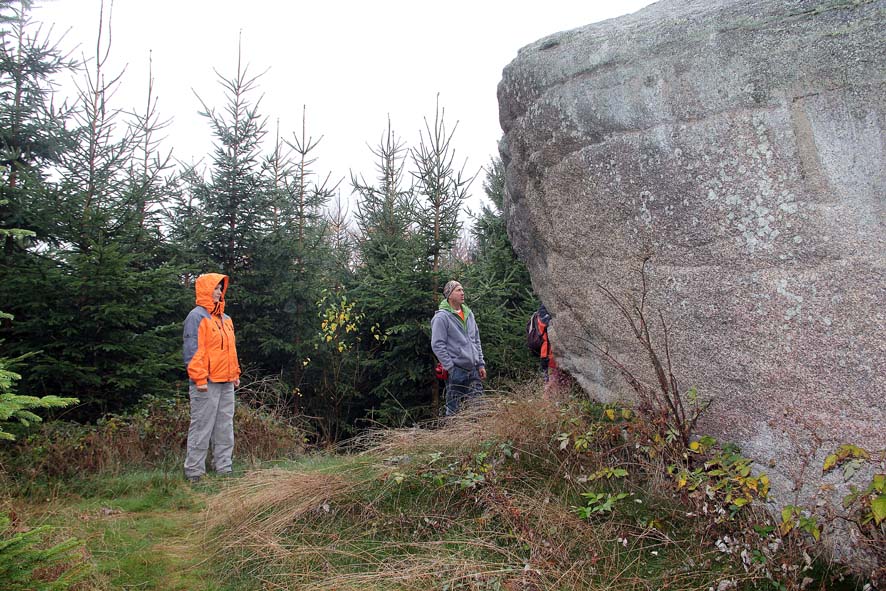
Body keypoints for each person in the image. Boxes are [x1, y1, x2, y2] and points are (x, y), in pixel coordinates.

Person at [182, 273, 241, 483]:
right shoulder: (196, 316)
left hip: (226, 382)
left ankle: (224, 468)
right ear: (205, 290)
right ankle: (194, 472)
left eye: (220, 288)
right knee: (201, 426)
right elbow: (193, 351)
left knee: (225, 427)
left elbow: (230, 350)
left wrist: (235, 374)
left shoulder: (226, 319)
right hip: (205, 384)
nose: (218, 292)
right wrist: (199, 379)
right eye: (214, 288)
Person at [431, 280, 487, 415]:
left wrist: (480, 364)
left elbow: (476, 340)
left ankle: (477, 435)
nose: (462, 293)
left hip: (473, 369)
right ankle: (452, 435)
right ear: (449, 295)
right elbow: (437, 345)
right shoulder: (441, 317)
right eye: (458, 290)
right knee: (454, 410)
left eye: (462, 290)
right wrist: (451, 367)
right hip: (456, 370)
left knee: (478, 408)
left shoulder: (469, 314)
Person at [537, 303, 565, 398]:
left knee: (561, 385)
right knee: (551, 385)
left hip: (555, 355)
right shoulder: (543, 312)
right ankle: (547, 409)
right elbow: (548, 325)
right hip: (550, 356)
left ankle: (557, 407)